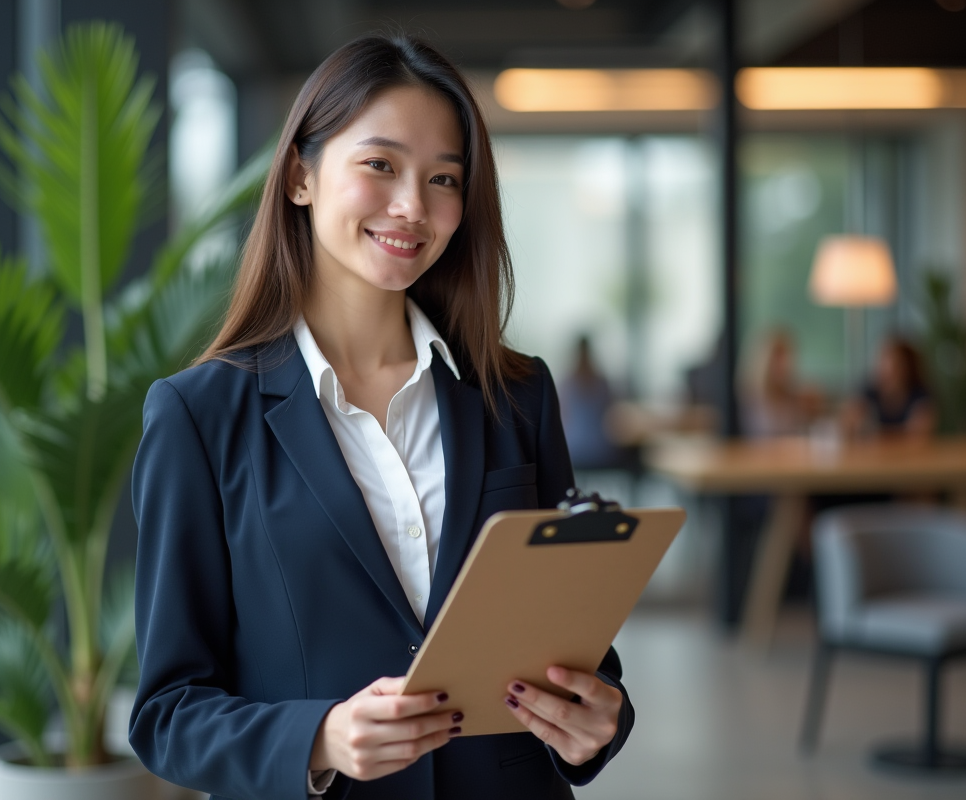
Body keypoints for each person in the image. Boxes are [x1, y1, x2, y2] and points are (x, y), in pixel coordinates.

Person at [129, 34, 633, 800]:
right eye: (380, 165)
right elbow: (167, 714)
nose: (413, 207)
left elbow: (576, 649)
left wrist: (600, 723)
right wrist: (320, 739)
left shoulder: (514, 393)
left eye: (443, 178)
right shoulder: (198, 417)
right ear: (301, 174)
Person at [842, 335, 935, 438]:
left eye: (895, 362)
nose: (883, 366)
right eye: (882, 359)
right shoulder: (870, 390)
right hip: (877, 451)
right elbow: (847, 423)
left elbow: (920, 432)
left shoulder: (920, 393)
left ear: (908, 367)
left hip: (911, 452)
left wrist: (875, 432)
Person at [556, 335, 626, 470]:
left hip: (573, 449)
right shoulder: (602, 382)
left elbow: (562, 415)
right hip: (600, 449)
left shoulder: (566, 383)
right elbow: (611, 413)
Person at [738, 328, 822, 438]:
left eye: (787, 356)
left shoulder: (796, 397)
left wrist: (812, 414)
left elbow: (808, 434)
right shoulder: (749, 399)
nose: (785, 363)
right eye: (778, 356)